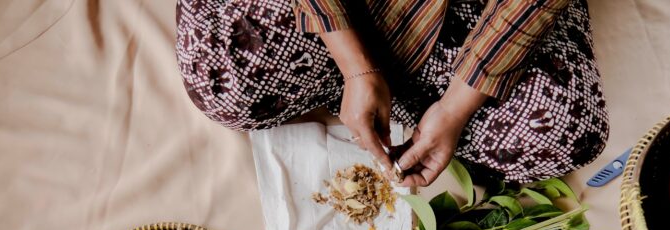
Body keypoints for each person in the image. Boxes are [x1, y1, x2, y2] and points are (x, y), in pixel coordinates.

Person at [176, 0, 608, 187]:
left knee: (566, 131)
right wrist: (354, 65)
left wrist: (457, 106)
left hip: (480, 13)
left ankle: (401, 84)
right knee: (223, 86)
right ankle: (363, 74)